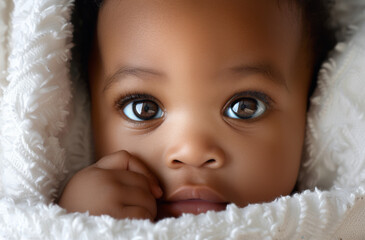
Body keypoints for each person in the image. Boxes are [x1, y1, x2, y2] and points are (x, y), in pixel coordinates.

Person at [58, 0, 335, 221]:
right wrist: (76, 223)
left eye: (244, 108)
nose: (192, 152)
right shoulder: (76, 221)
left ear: (310, 106)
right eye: (143, 109)